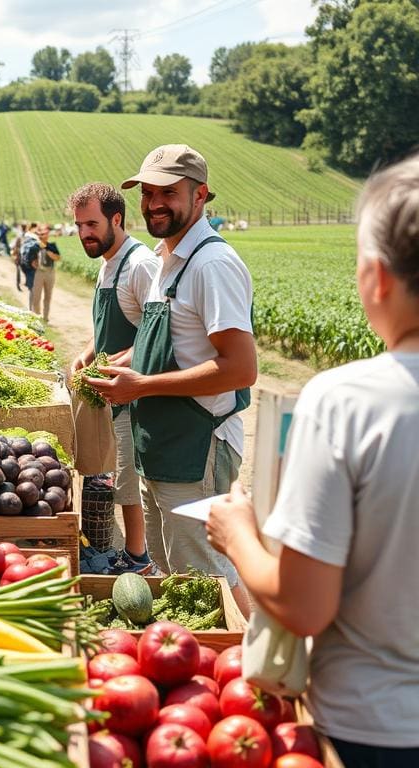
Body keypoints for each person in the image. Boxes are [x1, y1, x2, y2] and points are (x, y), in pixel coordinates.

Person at [207, 154, 419, 767]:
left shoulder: (347, 401)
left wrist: (238, 536)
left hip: (373, 730)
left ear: (376, 278)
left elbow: (303, 605)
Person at [88, 144, 257, 616]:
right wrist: (127, 364)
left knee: (206, 579)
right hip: (160, 444)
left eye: (168, 192)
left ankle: (244, 663)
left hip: (197, 445)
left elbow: (241, 368)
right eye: (147, 192)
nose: (154, 202)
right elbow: (171, 345)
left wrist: (139, 386)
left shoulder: (211, 264)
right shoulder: (167, 259)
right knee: (173, 571)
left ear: (200, 195)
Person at [68, 182, 160, 574]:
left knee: (130, 478)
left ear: (116, 219)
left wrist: (116, 365)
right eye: (78, 225)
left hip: (134, 393)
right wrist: (84, 355)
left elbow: (158, 334)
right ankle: (135, 553)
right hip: (110, 388)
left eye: (91, 223)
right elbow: (105, 327)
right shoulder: (108, 262)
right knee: (118, 473)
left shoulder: (140, 264)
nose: (84, 233)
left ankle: (138, 558)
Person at [29, 223, 61, 323]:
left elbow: (58, 258)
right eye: (39, 234)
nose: (41, 236)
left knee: (48, 296)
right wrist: (32, 263)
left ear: (47, 235)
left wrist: (47, 250)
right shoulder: (34, 246)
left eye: (43, 234)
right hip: (38, 272)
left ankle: (45, 318)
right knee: (36, 296)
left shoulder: (52, 246)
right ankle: (37, 317)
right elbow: (29, 258)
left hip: (50, 272)